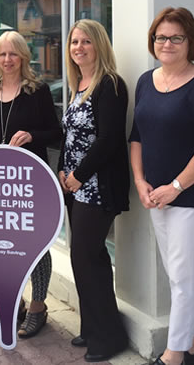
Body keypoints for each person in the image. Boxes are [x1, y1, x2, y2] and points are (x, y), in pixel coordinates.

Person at [129, 7, 194, 365]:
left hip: (190, 196)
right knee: (180, 272)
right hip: (155, 196)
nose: (166, 43)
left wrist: (175, 187)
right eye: (160, 37)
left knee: (181, 279)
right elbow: (136, 136)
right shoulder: (145, 81)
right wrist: (140, 182)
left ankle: (173, 354)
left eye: (176, 37)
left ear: (190, 42)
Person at [0, 30, 62, 338]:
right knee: (2, 247)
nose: (8, 60)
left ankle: (38, 306)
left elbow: (56, 134)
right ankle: (15, 303)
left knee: (36, 245)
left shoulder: (38, 91)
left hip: (30, 184)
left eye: (14, 54)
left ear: (24, 57)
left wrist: (32, 135)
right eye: (2, 54)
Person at [57, 19, 130, 363]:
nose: (79, 48)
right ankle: (94, 327)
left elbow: (108, 140)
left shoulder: (110, 85)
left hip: (97, 188)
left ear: (99, 45)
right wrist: (63, 169)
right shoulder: (79, 84)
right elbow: (72, 137)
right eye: (74, 42)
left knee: (88, 259)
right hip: (76, 187)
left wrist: (79, 176)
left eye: (86, 41)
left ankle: (108, 339)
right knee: (85, 258)